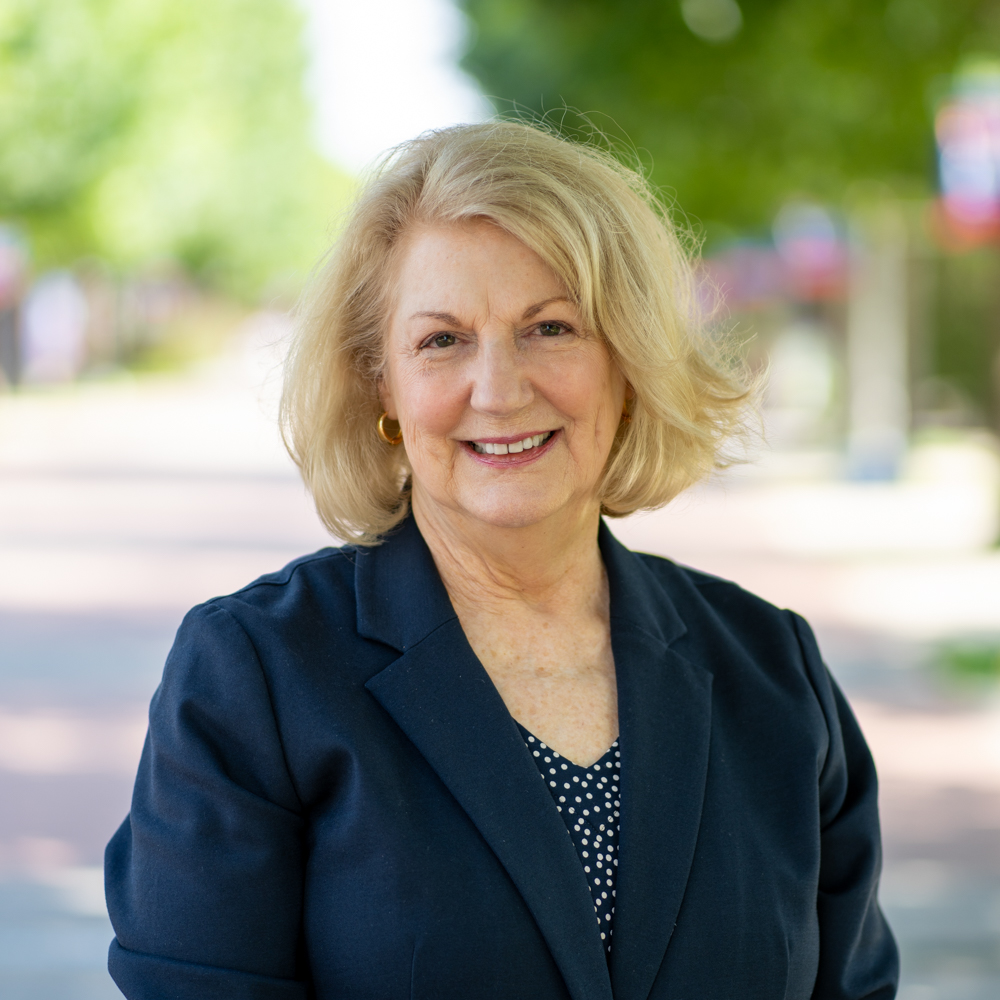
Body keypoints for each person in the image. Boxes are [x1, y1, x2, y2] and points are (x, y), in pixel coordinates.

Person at [105, 121, 899, 1000]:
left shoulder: (773, 668)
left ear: (627, 360)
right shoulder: (256, 674)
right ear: (383, 385)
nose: (499, 388)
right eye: (442, 340)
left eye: (551, 327)